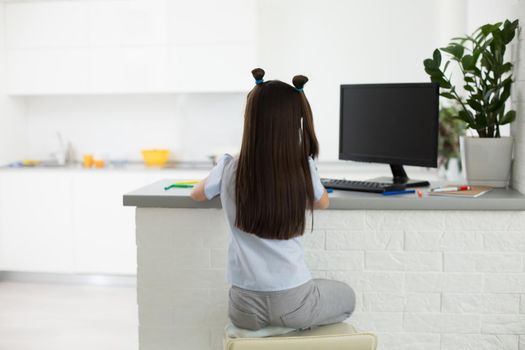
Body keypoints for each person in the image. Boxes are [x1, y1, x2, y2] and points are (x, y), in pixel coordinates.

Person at [190, 68, 356, 331]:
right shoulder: (302, 166)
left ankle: (268, 331)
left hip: (243, 309)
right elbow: (322, 202)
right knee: (347, 296)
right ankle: (284, 327)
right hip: (293, 304)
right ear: (295, 121)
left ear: (250, 120)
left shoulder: (228, 167)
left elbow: (196, 194)